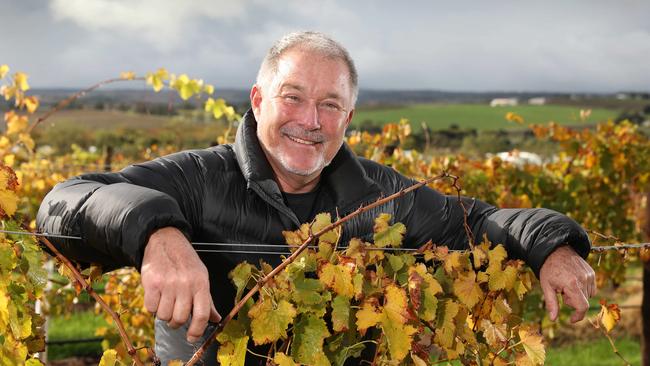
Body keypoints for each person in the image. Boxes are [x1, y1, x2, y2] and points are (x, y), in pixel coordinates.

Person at [37, 31, 596, 364]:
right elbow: (64, 203)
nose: (310, 120)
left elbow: (482, 222)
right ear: (258, 100)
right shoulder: (197, 178)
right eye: (294, 97)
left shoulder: (381, 197)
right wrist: (157, 233)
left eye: (330, 104)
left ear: (348, 118)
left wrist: (554, 247)